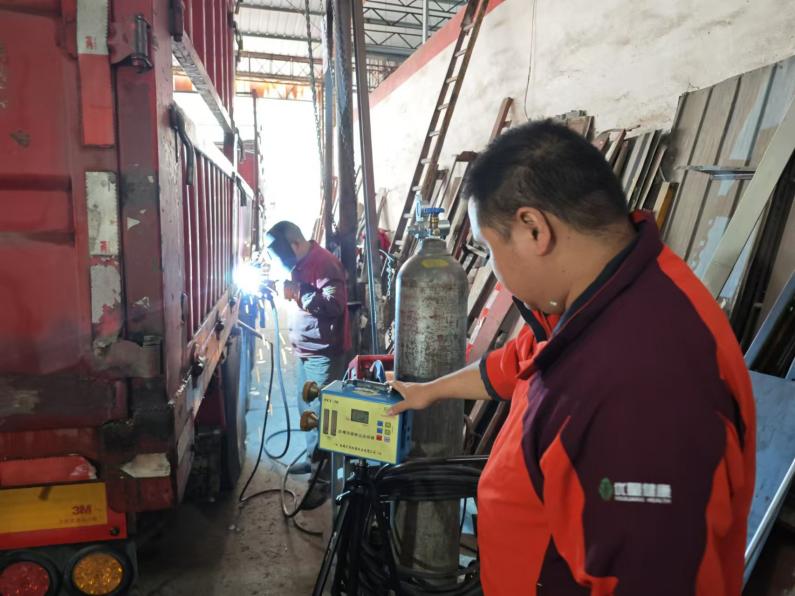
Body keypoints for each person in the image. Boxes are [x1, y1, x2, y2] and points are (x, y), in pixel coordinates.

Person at [388, 121, 756, 595]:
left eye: (489, 248)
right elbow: (516, 364)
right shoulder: (601, 300)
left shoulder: (641, 390)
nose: (494, 270)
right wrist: (429, 391)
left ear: (533, 229)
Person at [265, 221, 351, 508]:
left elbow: (334, 306)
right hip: (306, 350)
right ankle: (313, 460)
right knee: (307, 411)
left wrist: (299, 292)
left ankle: (322, 481)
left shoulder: (325, 264)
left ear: (296, 244)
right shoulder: (299, 261)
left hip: (323, 354)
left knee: (320, 416)